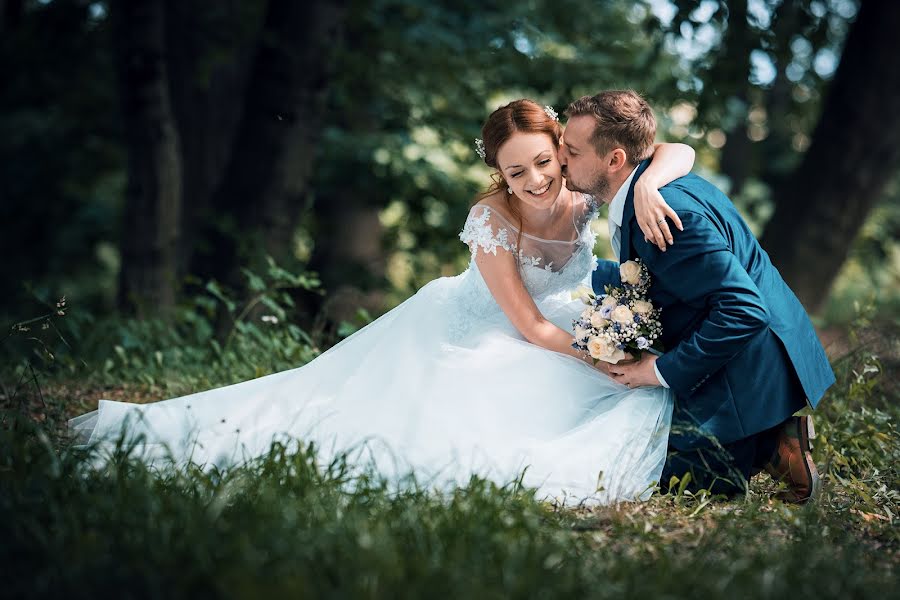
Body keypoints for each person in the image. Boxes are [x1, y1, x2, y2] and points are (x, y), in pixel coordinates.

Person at [69, 99, 695, 505]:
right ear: (498, 177)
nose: (534, 181)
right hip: (489, 330)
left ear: (563, 151)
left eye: (541, 162)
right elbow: (528, 324)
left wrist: (653, 183)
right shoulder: (492, 221)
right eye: (514, 173)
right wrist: (601, 355)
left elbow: (673, 149)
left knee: (635, 391)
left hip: (563, 327)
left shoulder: (583, 192)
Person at [559, 90, 835, 502]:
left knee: (648, 468)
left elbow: (743, 310)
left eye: (573, 151)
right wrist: (568, 270)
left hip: (748, 373)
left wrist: (658, 371)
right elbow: (664, 279)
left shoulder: (669, 215)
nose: (561, 158)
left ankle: (768, 440)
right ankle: (770, 440)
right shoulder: (649, 184)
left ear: (615, 159)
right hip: (748, 357)